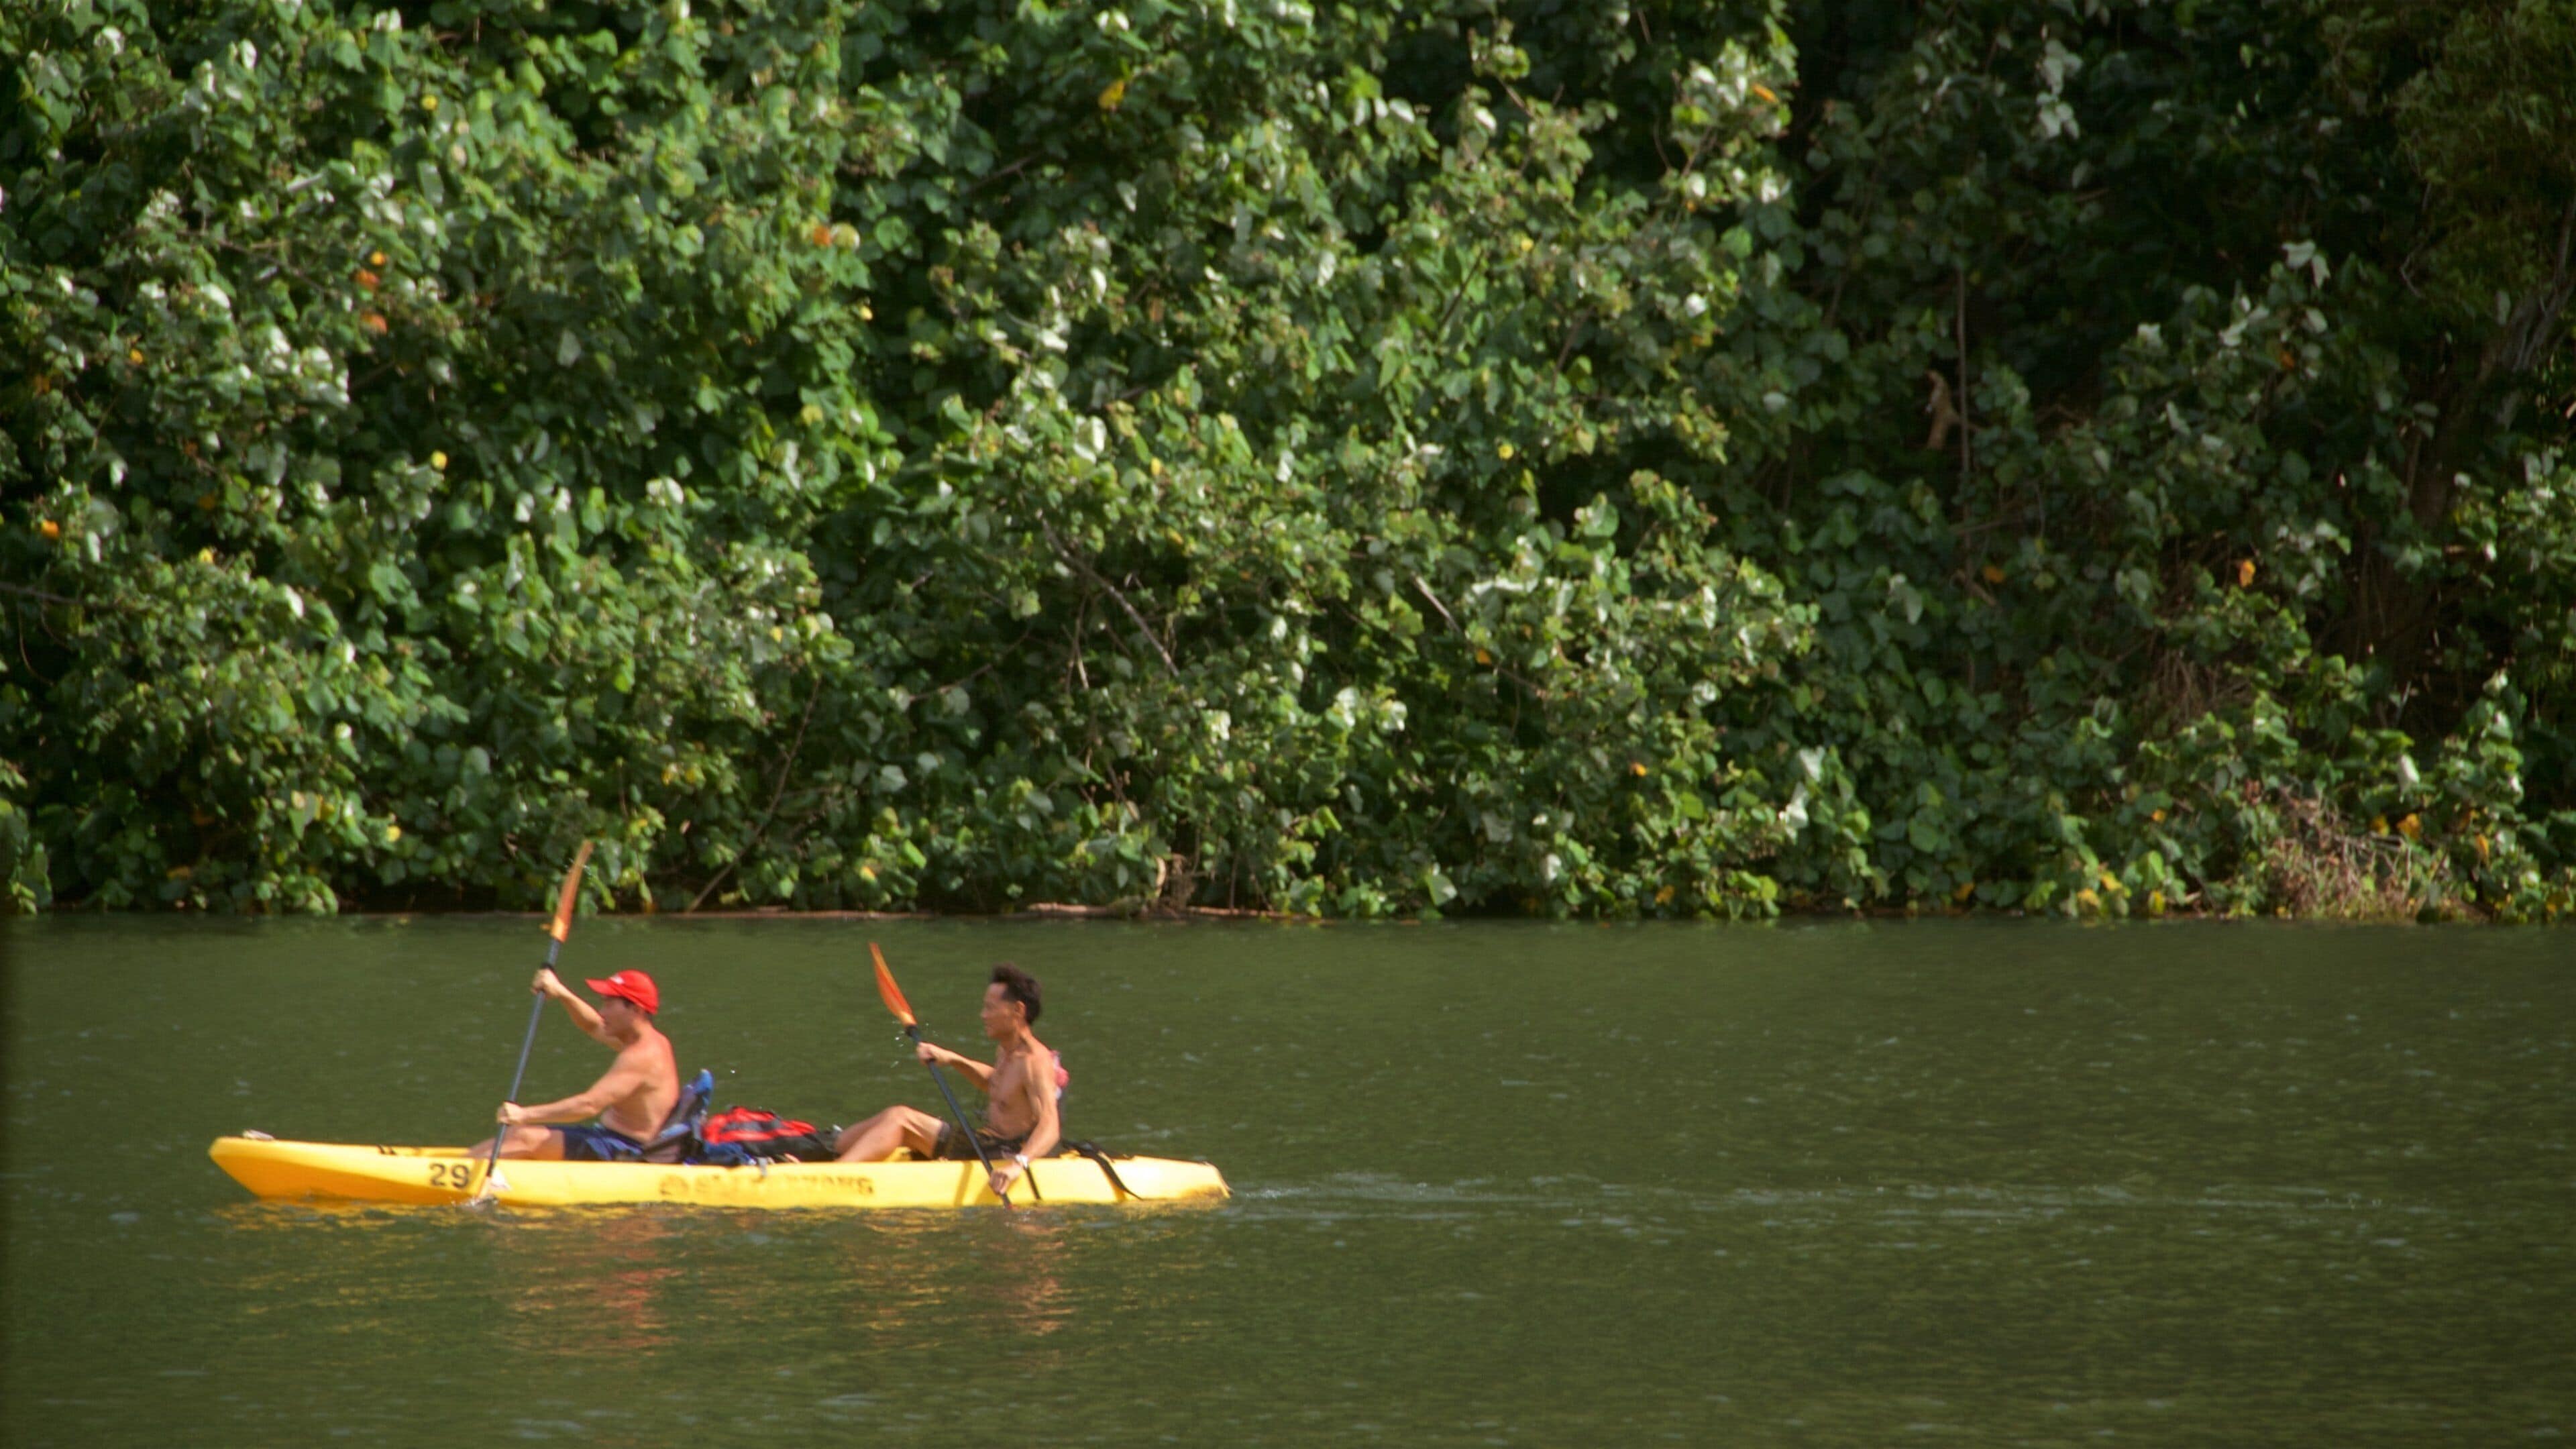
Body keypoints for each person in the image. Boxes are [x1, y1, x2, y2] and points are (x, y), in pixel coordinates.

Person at [835, 963, 1061, 1199]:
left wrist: (1018, 1164)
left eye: (990, 1008)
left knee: (901, 1119)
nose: (983, 1015)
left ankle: (835, 1176)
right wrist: (952, 1059)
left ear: (1018, 1010)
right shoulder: (1007, 1051)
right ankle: (827, 1150)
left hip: (1002, 1152)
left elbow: (1051, 1125)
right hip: (983, 1140)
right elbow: (997, 1084)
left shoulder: (1035, 1061)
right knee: (892, 1114)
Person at [463, 967, 680, 1163]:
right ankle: (462, 1164)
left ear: (636, 1011)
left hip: (629, 1150)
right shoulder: (641, 1039)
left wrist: (523, 1114)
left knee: (525, 1137)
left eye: (609, 1004)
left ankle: (458, 1170)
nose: (603, 1012)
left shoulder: (642, 1056)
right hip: (609, 1137)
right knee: (517, 1134)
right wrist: (561, 992)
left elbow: (588, 1105)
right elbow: (592, 1025)